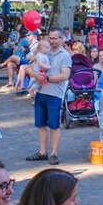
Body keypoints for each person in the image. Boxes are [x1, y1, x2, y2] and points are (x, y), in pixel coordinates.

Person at [26, 29, 72, 165]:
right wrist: (35, 76)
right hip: (41, 92)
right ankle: (42, 152)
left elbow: (65, 76)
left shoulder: (65, 55)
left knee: (54, 125)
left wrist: (47, 78)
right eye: (50, 38)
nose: (52, 41)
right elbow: (29, 67)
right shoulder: (41, 50)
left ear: (62, 39)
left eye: (55, 38)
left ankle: (54, 153)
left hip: (54, 94)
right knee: (40, 124)